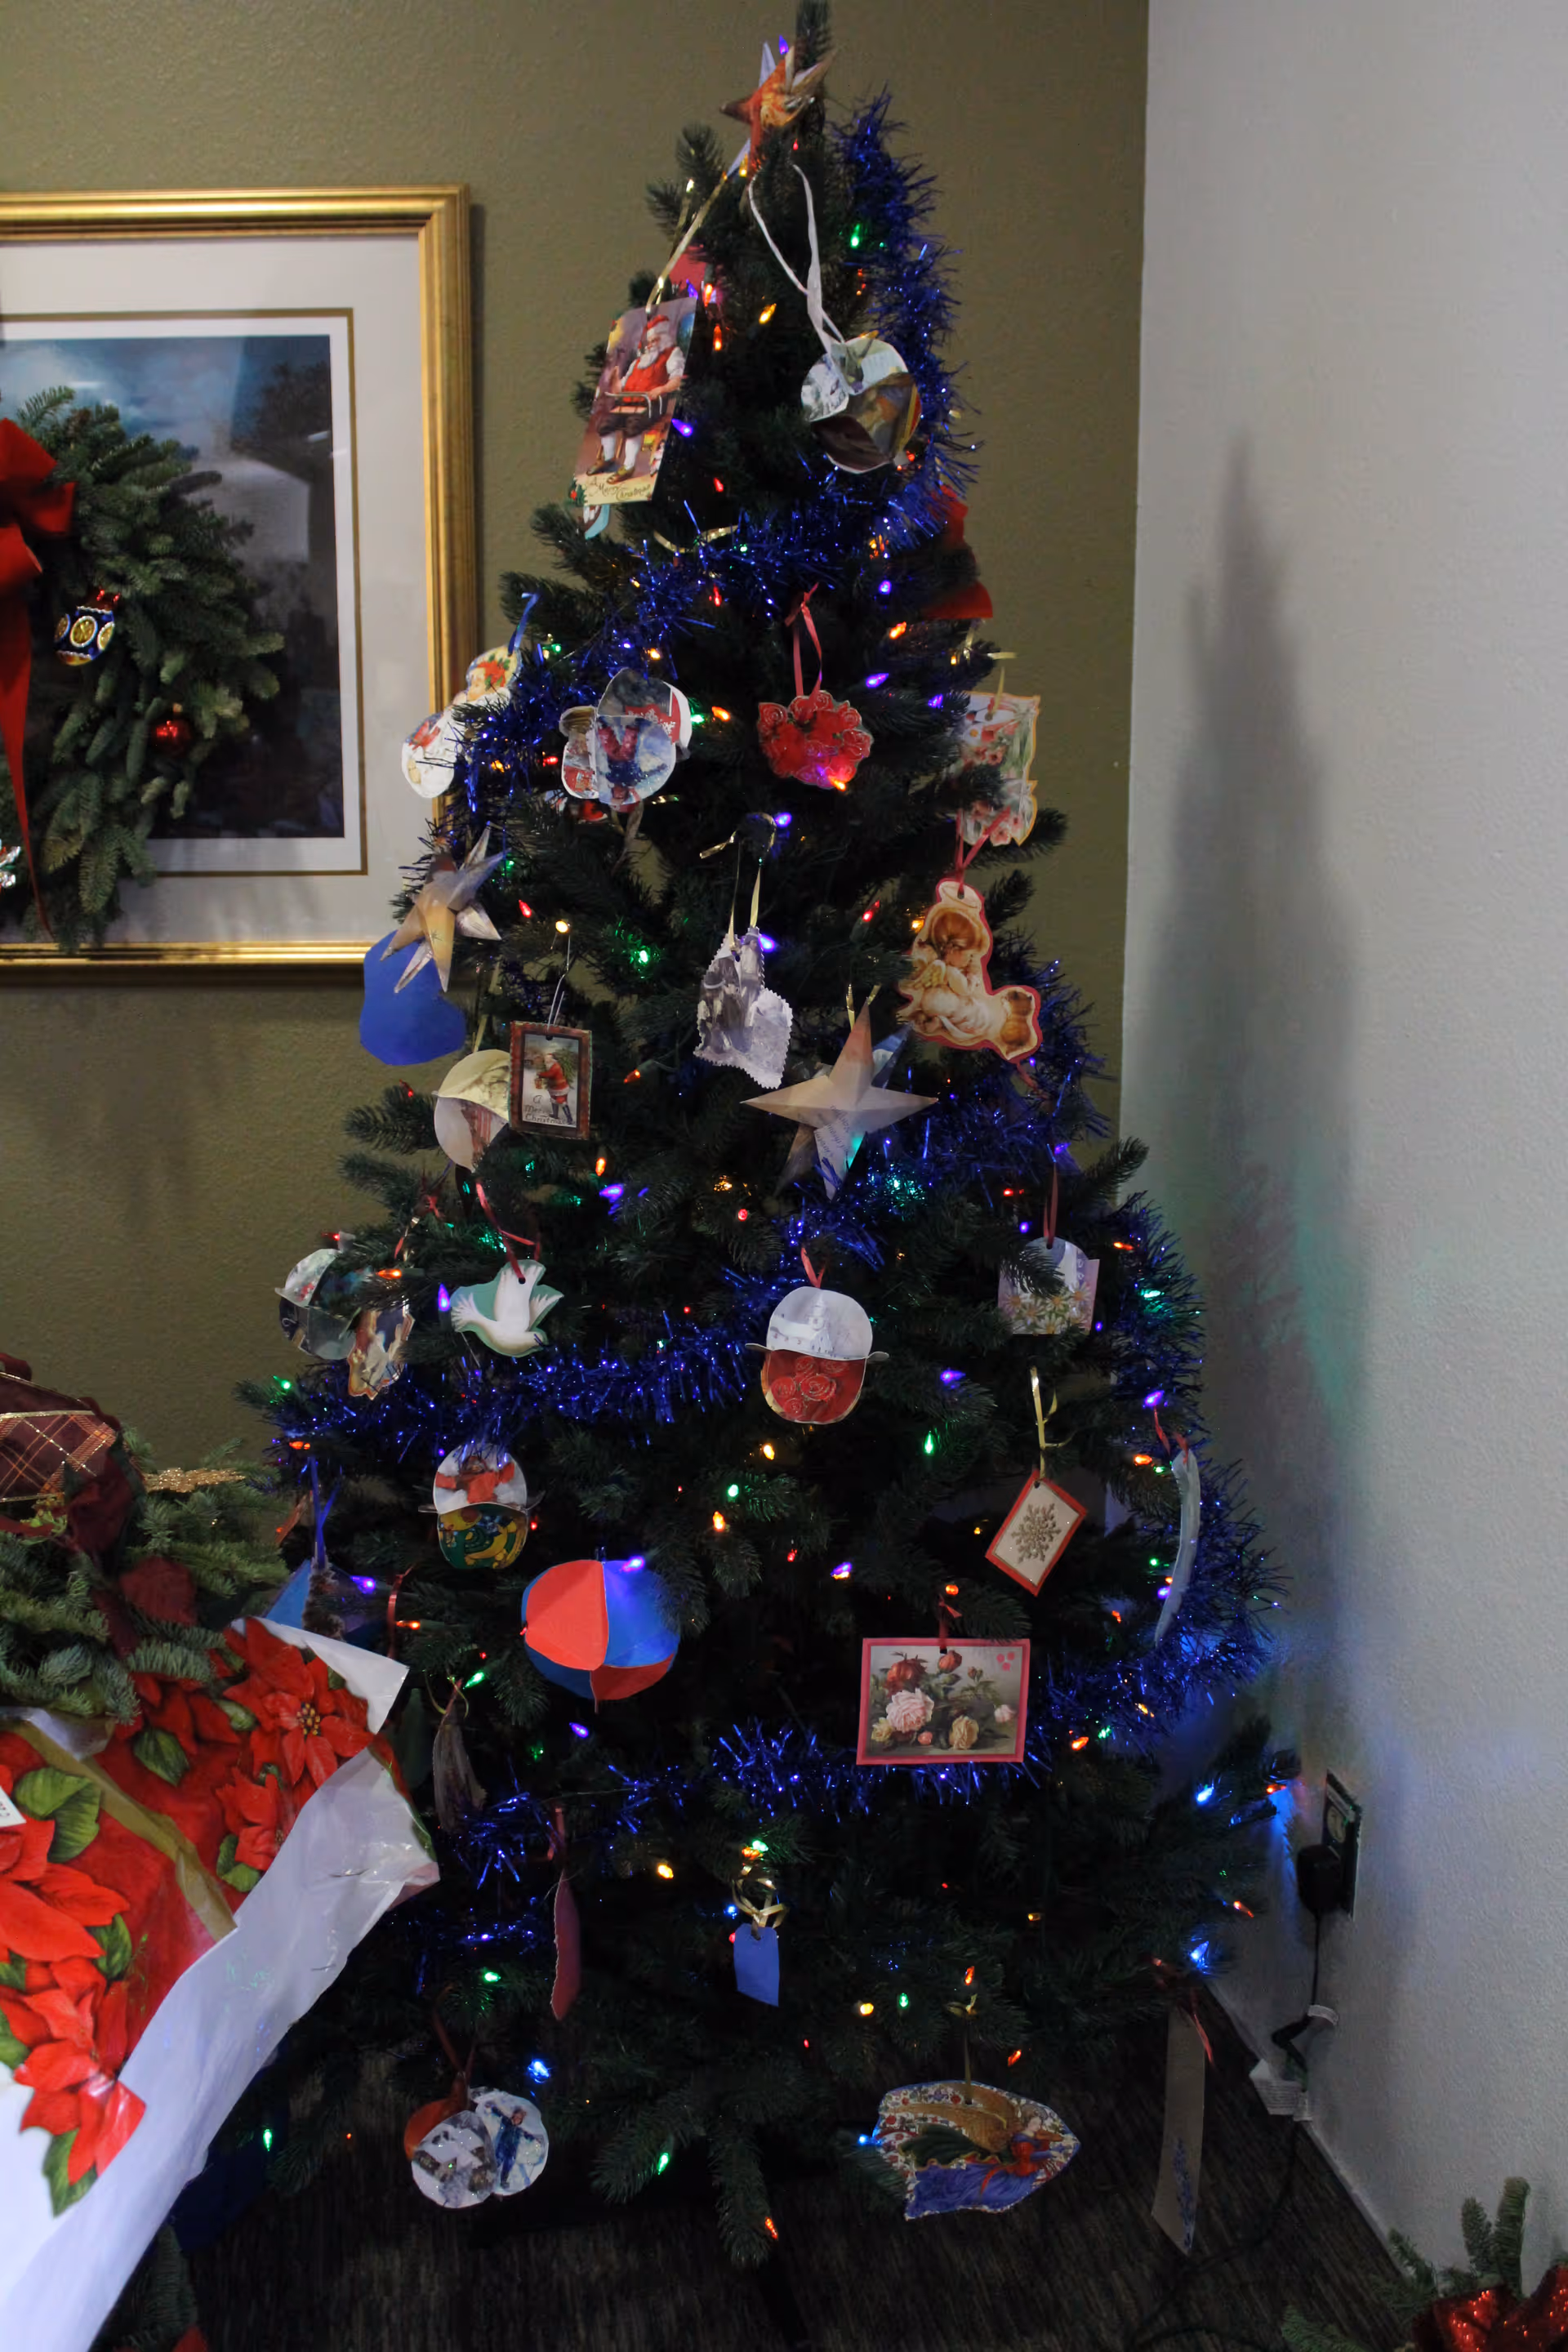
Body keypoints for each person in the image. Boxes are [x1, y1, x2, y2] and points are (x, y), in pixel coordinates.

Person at [587, 308, 687, 483]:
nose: (651, 344)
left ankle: (628, 466)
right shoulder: (638, 362)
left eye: (655, 340)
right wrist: (615, 379)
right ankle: (608, 459)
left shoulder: (673, 354)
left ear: (664, 338)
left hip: (652, 404)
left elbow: (677, 380)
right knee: (605, 423)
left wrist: (661, 389)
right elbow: (620, 388)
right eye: (649, 340)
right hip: (627, 404)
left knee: (633, 425)